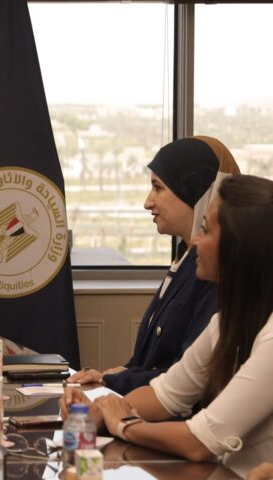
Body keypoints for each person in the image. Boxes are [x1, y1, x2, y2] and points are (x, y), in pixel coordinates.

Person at [62, 174, 273, 476]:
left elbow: (199, 442)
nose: (195, 241)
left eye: (205, 230)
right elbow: (164, 396)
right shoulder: (227, 321)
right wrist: (96, 412)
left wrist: (124, 425)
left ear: (239, 248)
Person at [70, 136, 239, 394]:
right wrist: (111, 375)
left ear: (191, 190)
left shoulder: (213, 269)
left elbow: (186, 377)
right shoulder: (185, 259)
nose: (148, 202)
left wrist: (111, 381)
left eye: (158, 188)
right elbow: (149, 362)